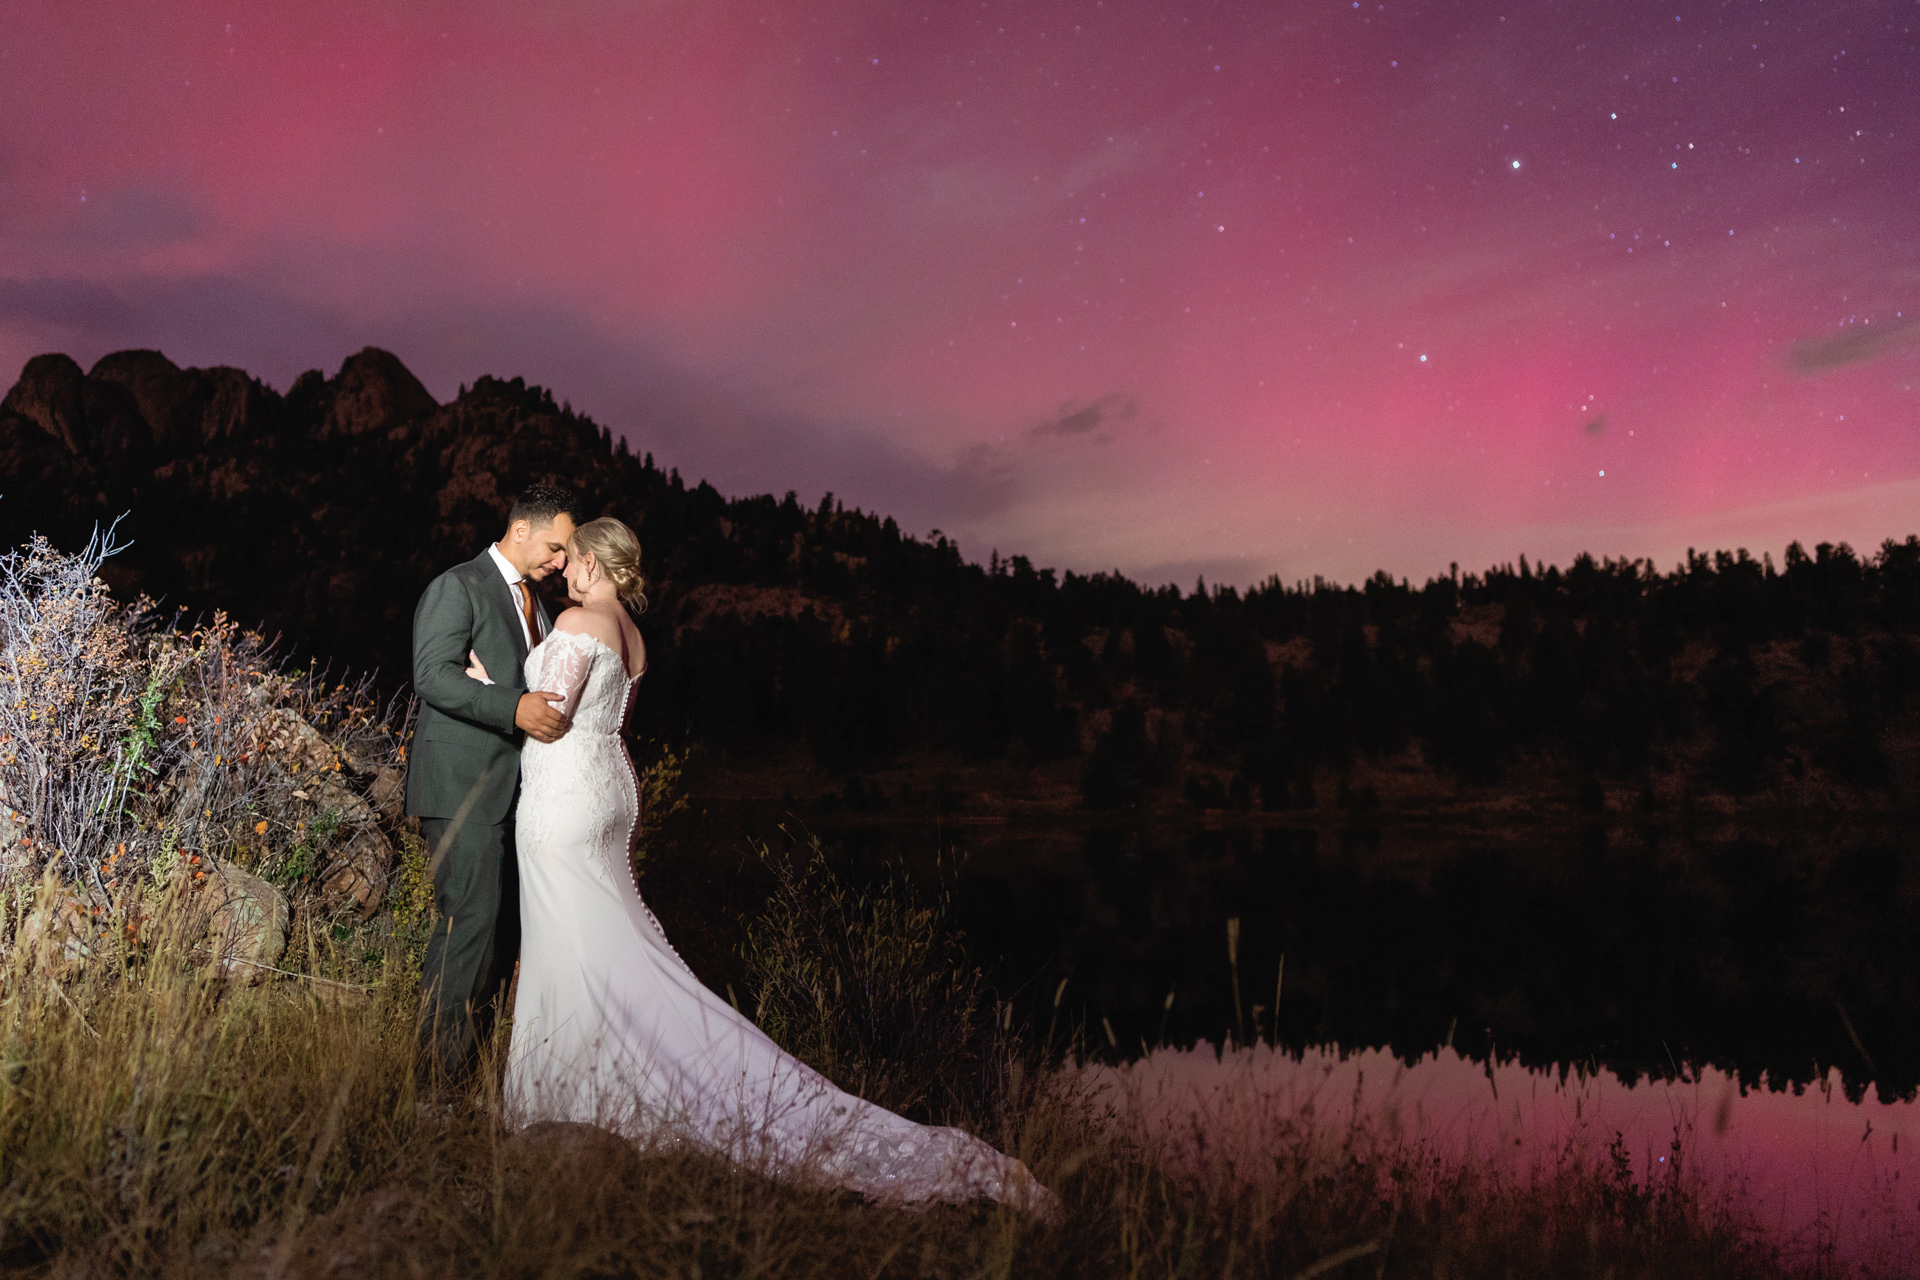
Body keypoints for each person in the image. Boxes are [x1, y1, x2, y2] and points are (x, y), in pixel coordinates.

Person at [468, 515, 1054, 1213]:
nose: (563, 569)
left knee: (573, 940)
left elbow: (550, 712)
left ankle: (573, 1091)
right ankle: (605, 1073)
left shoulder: (579, 621)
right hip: (609, 792)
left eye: (573, 559)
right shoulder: (630, 631)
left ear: (595, 561)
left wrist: (491, 688)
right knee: (612, 941)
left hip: (563, 800)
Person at [406, 484, 582, 1080]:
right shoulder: (458, 586)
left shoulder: (541, 607)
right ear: (522, 529)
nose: (560, 563)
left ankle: (472, 1068)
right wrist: (511, 706)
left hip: (515, 794)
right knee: (470, 923)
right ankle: (433, 1084)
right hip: (461, 786)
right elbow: (430, 674)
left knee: (502, 932)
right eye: (555, 548)